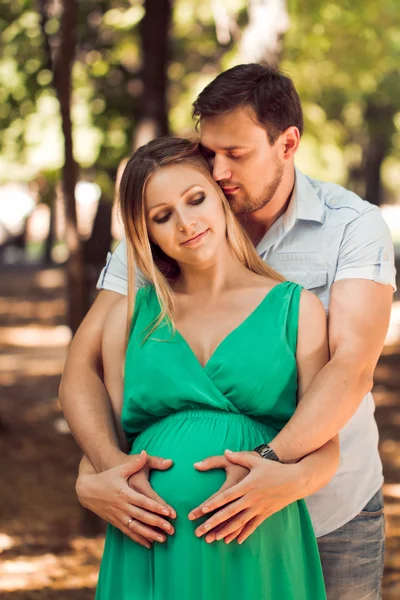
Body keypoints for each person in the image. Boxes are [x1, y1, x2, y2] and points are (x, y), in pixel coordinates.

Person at [60, 64, 396, 599]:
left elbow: (350, 366)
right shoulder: (181, 212)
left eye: (235, 154)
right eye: (209, 151)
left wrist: (275, 468)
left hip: (331, 509)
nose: (216, 172)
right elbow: (84, 367)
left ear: (287, 144)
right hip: (170, 537)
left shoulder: (350, 226)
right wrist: (102, 470)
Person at [93, 135, 338, 599]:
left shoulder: (297, 309)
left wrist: (281, 481)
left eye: (195, 199)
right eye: (162, 217)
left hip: (256, 538)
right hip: (150, 547)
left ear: (220, 197)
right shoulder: (130, 316)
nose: (186, 224)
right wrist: (91, 482)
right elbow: (105, 439)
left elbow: (326, 449)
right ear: (146, 234)